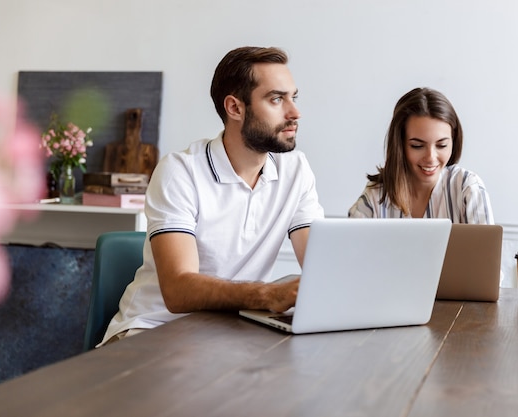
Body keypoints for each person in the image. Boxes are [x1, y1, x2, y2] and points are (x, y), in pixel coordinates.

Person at [100, 46, 324, 346]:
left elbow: (320, 263)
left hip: (231, 333)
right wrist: (268, 294)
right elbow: (179, 291)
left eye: (293, 98)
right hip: (151, 330)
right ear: (235, 108)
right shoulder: (180, 171)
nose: (294, 112)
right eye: (276, 99)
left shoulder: (296, 170)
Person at [348, 87, 493, 223]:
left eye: (441, 145)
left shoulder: (467, 188)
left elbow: (486, 250)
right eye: (417, 146)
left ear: (453, 140)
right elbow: (348, 245)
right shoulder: (376, 195)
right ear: (400, 144)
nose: (430, 157)